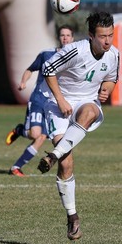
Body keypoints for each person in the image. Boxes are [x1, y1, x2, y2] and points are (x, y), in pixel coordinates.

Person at [37, 11, 119, 240]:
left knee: (91, 111)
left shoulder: (114, 54)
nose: (107, 41)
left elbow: (112, 77)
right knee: (67, 164)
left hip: (85, 102)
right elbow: (47, 69)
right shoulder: (74, 50)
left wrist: (108, 90)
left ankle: (52, 155)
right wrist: (61, 100)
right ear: (91, 35)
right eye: (102, 36)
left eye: (110, 35)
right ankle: (72, 218)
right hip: (57, 104)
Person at [5, 25, 75, 177]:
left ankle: (16, 167)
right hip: (39, 99)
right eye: (62, 35)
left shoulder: (74, 58)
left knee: (42, 138)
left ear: (73, 38)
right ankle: (19, 130)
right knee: (35, 134)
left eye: (68, 35)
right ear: (59, 37)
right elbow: (30, 69)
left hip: (54, 103)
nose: (65, 38)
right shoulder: (46, 54)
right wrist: (23, 82)